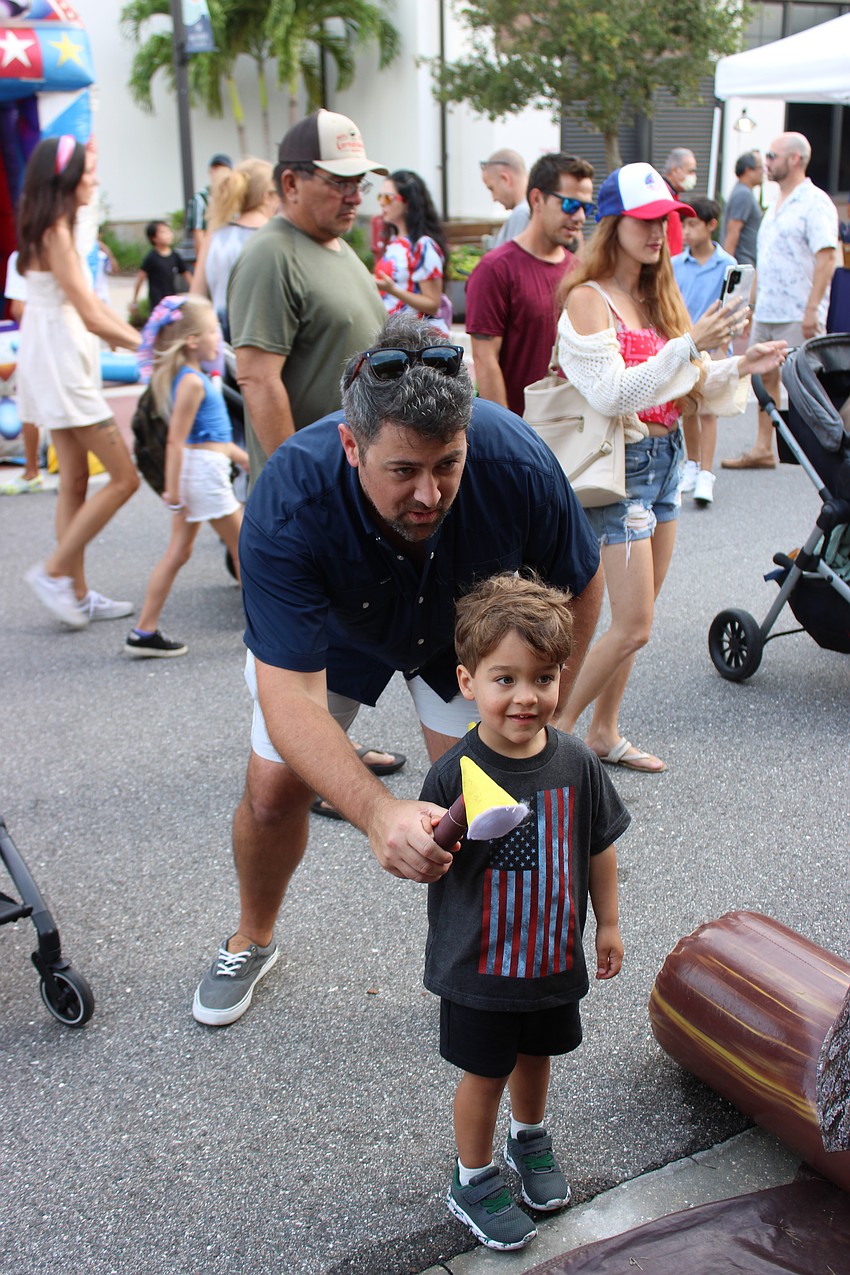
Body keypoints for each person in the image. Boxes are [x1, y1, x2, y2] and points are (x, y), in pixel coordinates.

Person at [191, 313, 604, 1028]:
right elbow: (287, 695)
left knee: (487, 811)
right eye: (403, 470)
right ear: (351, 444)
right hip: (337, 628)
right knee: (271, 792)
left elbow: (581, 584)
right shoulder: (289, 497)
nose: (428, 494)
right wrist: (377, 811)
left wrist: (550, 715)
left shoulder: (518, 463)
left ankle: (486, 966)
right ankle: (251, 938)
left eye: (447, 464)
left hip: (462, 636)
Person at [420, 572, 628, 1252]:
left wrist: (609, 921)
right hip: (479, 962)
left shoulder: (575, 761)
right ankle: (473, 1175)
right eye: (504, 679)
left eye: (543, 677)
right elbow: (429, 856)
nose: (525, 696)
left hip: (550, 955)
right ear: (467, 680)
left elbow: (598, 845)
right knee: (484, 1073)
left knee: (538, 1054)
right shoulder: (453, 771)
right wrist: (440, 839)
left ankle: (529, 1139)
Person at [556, 162, 787, 773]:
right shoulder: (588, 298)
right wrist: (692, 344)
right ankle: (552, 739)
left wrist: (743, 363)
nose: (660, 231)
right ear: (612, 223)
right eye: (646, 219)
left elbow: (687, 383)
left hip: (665, 461)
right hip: (621, 466)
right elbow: (610, 392)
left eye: (668, 219)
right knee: (634, 625)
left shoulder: (657, 295)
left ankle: (603, 731)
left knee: (642, 613)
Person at [227, 109, 397, 794]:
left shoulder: (334, 244)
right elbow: (258, 378)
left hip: (358, 479)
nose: (354, 195)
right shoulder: (271, 253)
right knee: (308, 641)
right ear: (291, 182)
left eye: (360, 182)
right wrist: (306, 481)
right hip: (315, 493)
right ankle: (305, 774)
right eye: (339, 182)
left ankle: (328, 752)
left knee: (345, 635)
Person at [17, 135, 142, 629]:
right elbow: (91, 314)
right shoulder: (55, 232)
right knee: (124, 477)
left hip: (54, 354)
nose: (94, 180)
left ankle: (76, 591)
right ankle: (53, 573)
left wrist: (138, 335)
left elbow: (91, 308)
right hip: (62, 361)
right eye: (88, 172)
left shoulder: (57, 227)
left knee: (73, 481)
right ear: (66, 179)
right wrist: (152, 343)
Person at [125, 296, 248, 659]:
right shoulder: (193, 382)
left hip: (203, 470)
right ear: (192, 340)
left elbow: (214, 440)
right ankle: (267, 628)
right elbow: (178, 440)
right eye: (212, 330)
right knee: (246, 549)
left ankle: (143, 629)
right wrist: (172, 489)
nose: (217, 337)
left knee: (180, 552)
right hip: (202, 475)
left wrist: (248, 460)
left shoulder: (192, 377)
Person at [722, 132, 839, 471]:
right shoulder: (774, 205)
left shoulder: (815, 202)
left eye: (772, 156)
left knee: (808, 381)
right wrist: (751, 304)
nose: (766, 163)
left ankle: (825, 451)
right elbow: (767, 260)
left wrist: (811, 309)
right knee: (763, 377)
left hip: (798, 310)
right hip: (769, 310)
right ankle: (763, 447)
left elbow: (827, 257)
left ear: (795, 159)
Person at [466, 152, 594, 417]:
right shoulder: (495, 269)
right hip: (522, 430)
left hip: (573, 431)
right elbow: (485, 360)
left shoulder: (579, 271)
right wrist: (510, 436)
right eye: (570, 205)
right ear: (537, 199)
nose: (580, 216)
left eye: (587, 208)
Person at [672, 197, 738, 506]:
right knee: (688, 409)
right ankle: (692, 464)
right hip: (684, 345)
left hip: (714, 347)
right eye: (683, 224)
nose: (686, 230)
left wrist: (725, 345)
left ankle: (706, 474)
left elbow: (736, 308)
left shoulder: (728, 266)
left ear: (711, 225)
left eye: (693, 224)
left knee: (708, 412)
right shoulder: (675, 265)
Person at [189, 157, 277, 339]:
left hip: (220, 340)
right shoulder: (274, 236)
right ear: (267, 195)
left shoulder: (216, 233)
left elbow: (197, 295)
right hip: (261, 341)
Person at [375, 169, 450, 331]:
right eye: (379, 197)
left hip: (414, 342)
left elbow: (432, 304)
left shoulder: (424, 246)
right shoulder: (394, 242)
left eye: (388, 198)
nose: (381, 202)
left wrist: (392, 289)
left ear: (407, 202)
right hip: (394, 336)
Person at [1, 250, 42, 494]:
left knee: (31, 406)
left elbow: (18, 308)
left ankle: (32, 470)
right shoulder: (72, 248)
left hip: (34, 341)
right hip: (58, 340)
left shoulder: (21, 256)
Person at [130, 221, 191, 317]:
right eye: (163, 232)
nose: (168, 235)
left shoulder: (175, 256)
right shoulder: (151, 257)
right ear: (153, 238)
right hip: (157, 302)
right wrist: (134, 300)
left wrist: (196, 293)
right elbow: (140, 278)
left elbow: (186, 274)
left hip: (172, 300)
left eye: (169, 231)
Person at [480, 150, 530, 249]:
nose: (493, 198)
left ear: (505, 179)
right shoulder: (532, 209)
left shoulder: (522, 214)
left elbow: (513, 262)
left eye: (491, 188)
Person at [186, 153, 233, 257]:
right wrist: (204, 261)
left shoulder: (236, 197)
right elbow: (198, 233)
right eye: (214, 168)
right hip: (213, 255)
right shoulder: (201, 198)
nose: (217, 172)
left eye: (222, 168)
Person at [721, 151, 763, 266]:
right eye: (760, 168)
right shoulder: (743, 194)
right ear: (748, 170)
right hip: (741, 264)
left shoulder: (743, 192)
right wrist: (727, 267)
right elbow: (733, 231)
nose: (763, 172)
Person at [661, 147, 697, 255]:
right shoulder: (662, 196)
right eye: (690, 171)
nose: (694, 176)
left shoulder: (674, 196)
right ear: (675, 170)